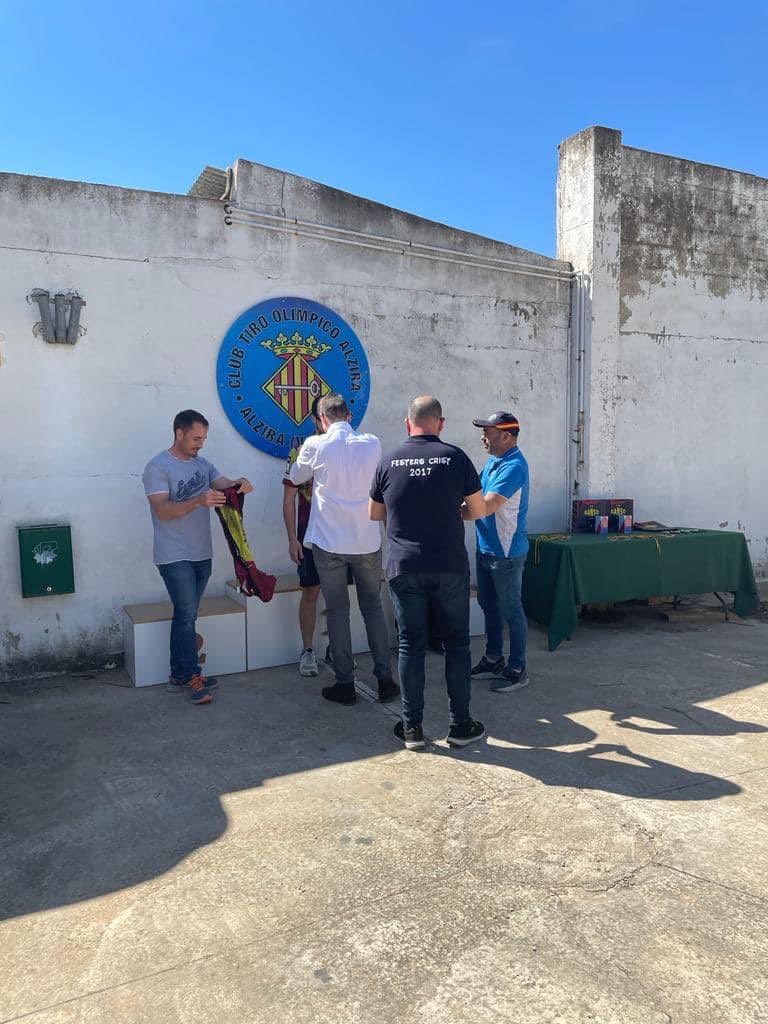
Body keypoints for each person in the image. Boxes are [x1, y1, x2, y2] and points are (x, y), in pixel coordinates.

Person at [369, 395, 487, 750]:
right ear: (440, 423)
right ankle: (460, 725)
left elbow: (376, 514)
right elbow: (478, 510)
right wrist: (453, 511)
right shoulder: (455, 457)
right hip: (448, 565)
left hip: (403, 566)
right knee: (457, 644)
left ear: (408, 424)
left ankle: (412, 729)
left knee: (410, 645)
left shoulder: (388, 461)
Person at [289, 393, 399, 706]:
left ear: (322, 419)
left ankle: (345, 683)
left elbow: (297, 477)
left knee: (337, 611)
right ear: (348, 416)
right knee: (373, 608)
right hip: (366, 540)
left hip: (330, 543)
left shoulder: (315, 444)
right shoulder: (373, 443)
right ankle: (385, 680)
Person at [143, 410, 253, 705]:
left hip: (201, 553)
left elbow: (223, 483)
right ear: (179, 433)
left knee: (185, 613)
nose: (200, 444)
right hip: (173, 554)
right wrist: (198, 501)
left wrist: (239, 484)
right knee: (188, 613)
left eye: (203, 438)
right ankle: (191, 676)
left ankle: (179, 675)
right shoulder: (157, 467)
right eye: (195, 438)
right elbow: (163, 511)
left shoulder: (203, 465)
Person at [468, 411, 530, 693]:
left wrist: (445, 514)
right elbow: (472, 493)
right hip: (486, 547)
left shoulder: (514, 466)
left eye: (488, 432)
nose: (483, 437)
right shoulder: (494, 461)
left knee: (511, 609)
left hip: (505, 553)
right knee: (488, 605)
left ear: (506, 436)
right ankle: (494, 658)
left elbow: (487, 505)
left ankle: (517, 668)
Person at [282, 396, 324, 678]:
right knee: (311, 591)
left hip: (343, 537)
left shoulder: (354, 447)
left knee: (339, 597)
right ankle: (308, 651)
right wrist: (292, 538)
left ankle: (338, 647)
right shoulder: (302, 447)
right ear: (314, 419)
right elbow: (288, 498)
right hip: (309, 535)